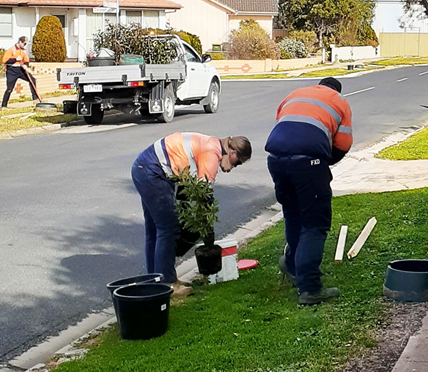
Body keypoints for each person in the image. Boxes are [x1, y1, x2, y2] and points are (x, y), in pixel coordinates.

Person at [265, 76, 353, 307]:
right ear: (337, 90)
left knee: (293, 214)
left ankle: (293, 264)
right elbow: (343, 144)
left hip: (276, 160)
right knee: (315, 223)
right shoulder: (339, 101)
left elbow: (286, 128)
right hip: (308, 163)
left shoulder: (295, 94)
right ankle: (310, 288)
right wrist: (322, 161)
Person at [130, 132, 252, 286]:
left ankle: (155, 282)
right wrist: (208, 234)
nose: (233, 167)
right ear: (233, 152)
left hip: (144, 167)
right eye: (237, 162)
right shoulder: (212, 154)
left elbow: (187, 187)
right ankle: (167, 284)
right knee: (169, 229)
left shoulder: (211, 144)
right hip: (153, 171)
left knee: (155, 230)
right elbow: (204, 195)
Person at [0, 37, 42, 108]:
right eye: (24, 43)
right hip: (11, 71)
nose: (24, 45)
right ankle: (4, 105)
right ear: (19, 42)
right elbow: (5, 61)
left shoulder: (24, 51)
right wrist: (15, 59)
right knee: (9, 88)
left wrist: (26, 65)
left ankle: (35, 98)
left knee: (32, 80)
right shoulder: (11, 50)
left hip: (20, 69)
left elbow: (26, 60)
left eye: (25, 44)